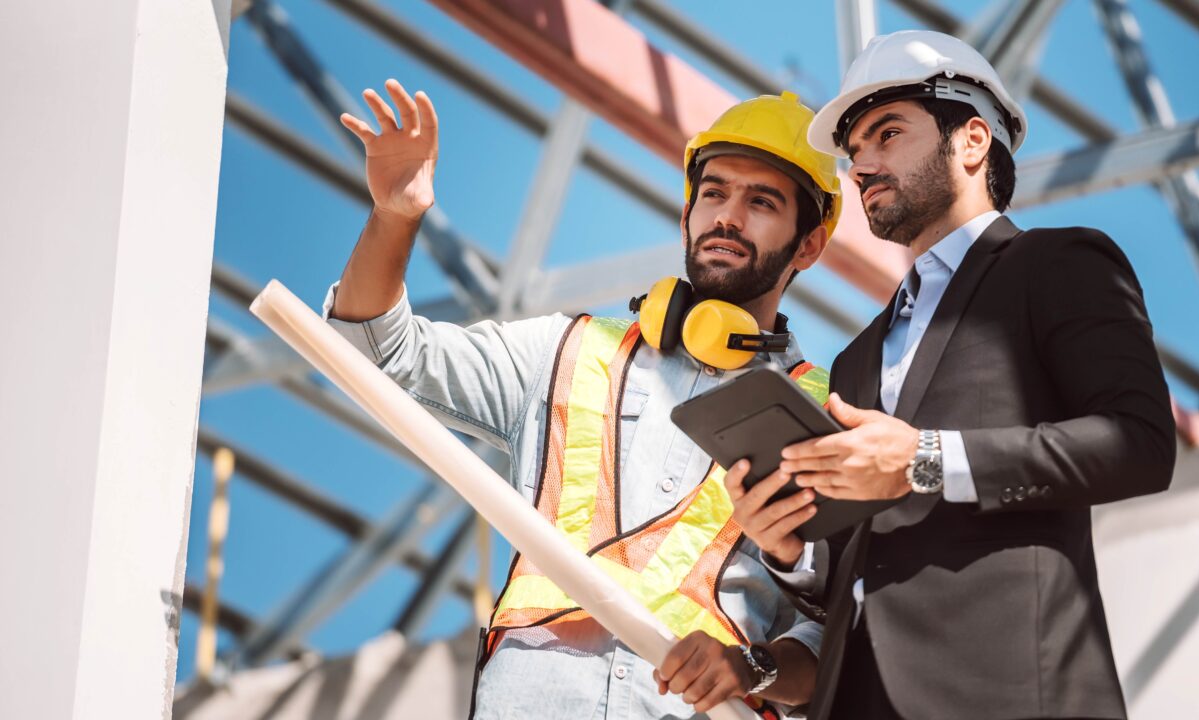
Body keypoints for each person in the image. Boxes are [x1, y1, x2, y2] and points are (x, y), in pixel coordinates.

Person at [324, 80, 844, 719]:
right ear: (687, 213)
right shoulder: (566, 351)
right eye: (713, 193)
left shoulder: (826, 418)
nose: (727, 216)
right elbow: (378, 351)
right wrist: (395, 217)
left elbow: (838, 640)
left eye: (761, 201)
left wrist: (752, 667)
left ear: (810, 243)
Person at [725, 30, 1177, 720]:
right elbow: (851, 568)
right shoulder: (856, 358)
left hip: (1012, 698)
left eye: (886, 134)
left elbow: (1140, 443)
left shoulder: (1059, 265)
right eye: (853, 154)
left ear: (971, 140)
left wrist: (925, 460)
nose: (862, 166)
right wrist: (790, 551)